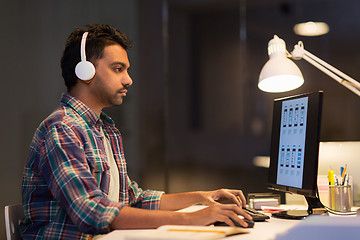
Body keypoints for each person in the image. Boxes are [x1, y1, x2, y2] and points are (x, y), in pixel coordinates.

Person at [20, 24, 252, 239]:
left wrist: (201, 198)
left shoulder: (104, 130)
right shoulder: (62, 129)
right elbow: (91, 212)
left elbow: (133, 199)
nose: (128, 80)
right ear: (85, 71)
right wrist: (192, 219)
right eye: (118, 69)